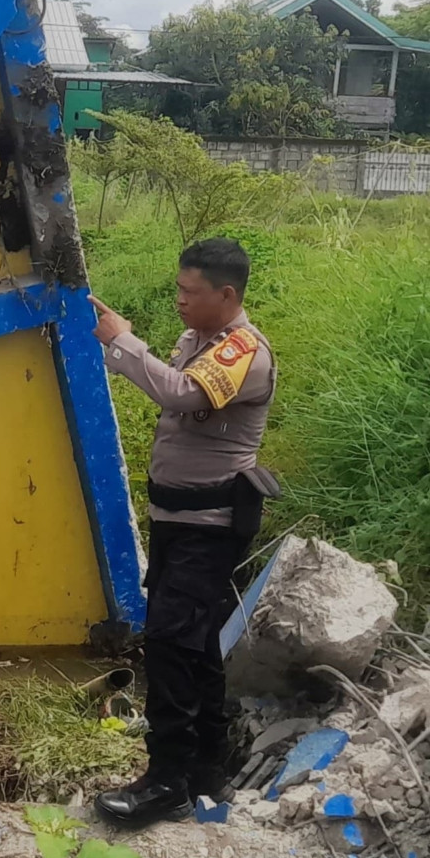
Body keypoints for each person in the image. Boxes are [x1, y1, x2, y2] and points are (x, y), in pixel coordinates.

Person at [88, 236, 277, 826]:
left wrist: (122, 340)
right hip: (177, 521)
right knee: (195, 648)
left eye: (189, 292)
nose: (179, 301)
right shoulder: (201, 340)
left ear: (227, 294)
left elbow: (178, 391)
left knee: (170, 645)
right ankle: (204, 771)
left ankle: (165, 781)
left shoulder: (242, 350)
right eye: (177, 289)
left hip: (209, 527)